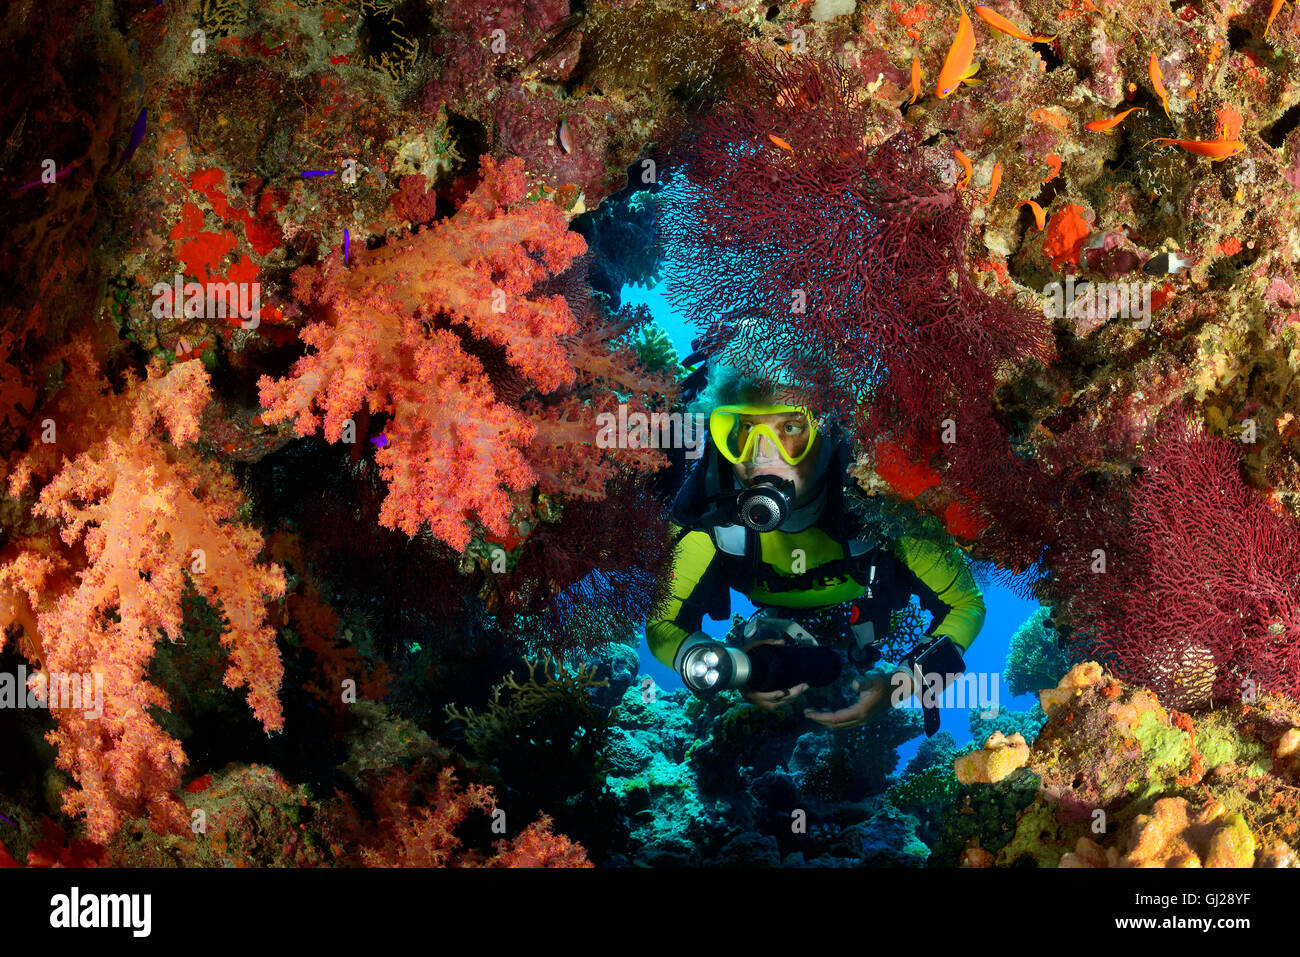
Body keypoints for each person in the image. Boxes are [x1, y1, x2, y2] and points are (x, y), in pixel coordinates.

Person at [647, 371, 985, 734]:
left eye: (791, 428)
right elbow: (662, 625)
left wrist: (900, 686)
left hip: (864, 609)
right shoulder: (704, 512)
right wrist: (733, 669)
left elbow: (966, 604)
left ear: (831, 434)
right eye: (746, 429)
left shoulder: (882, 497)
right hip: (773, 615)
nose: (761, 455)